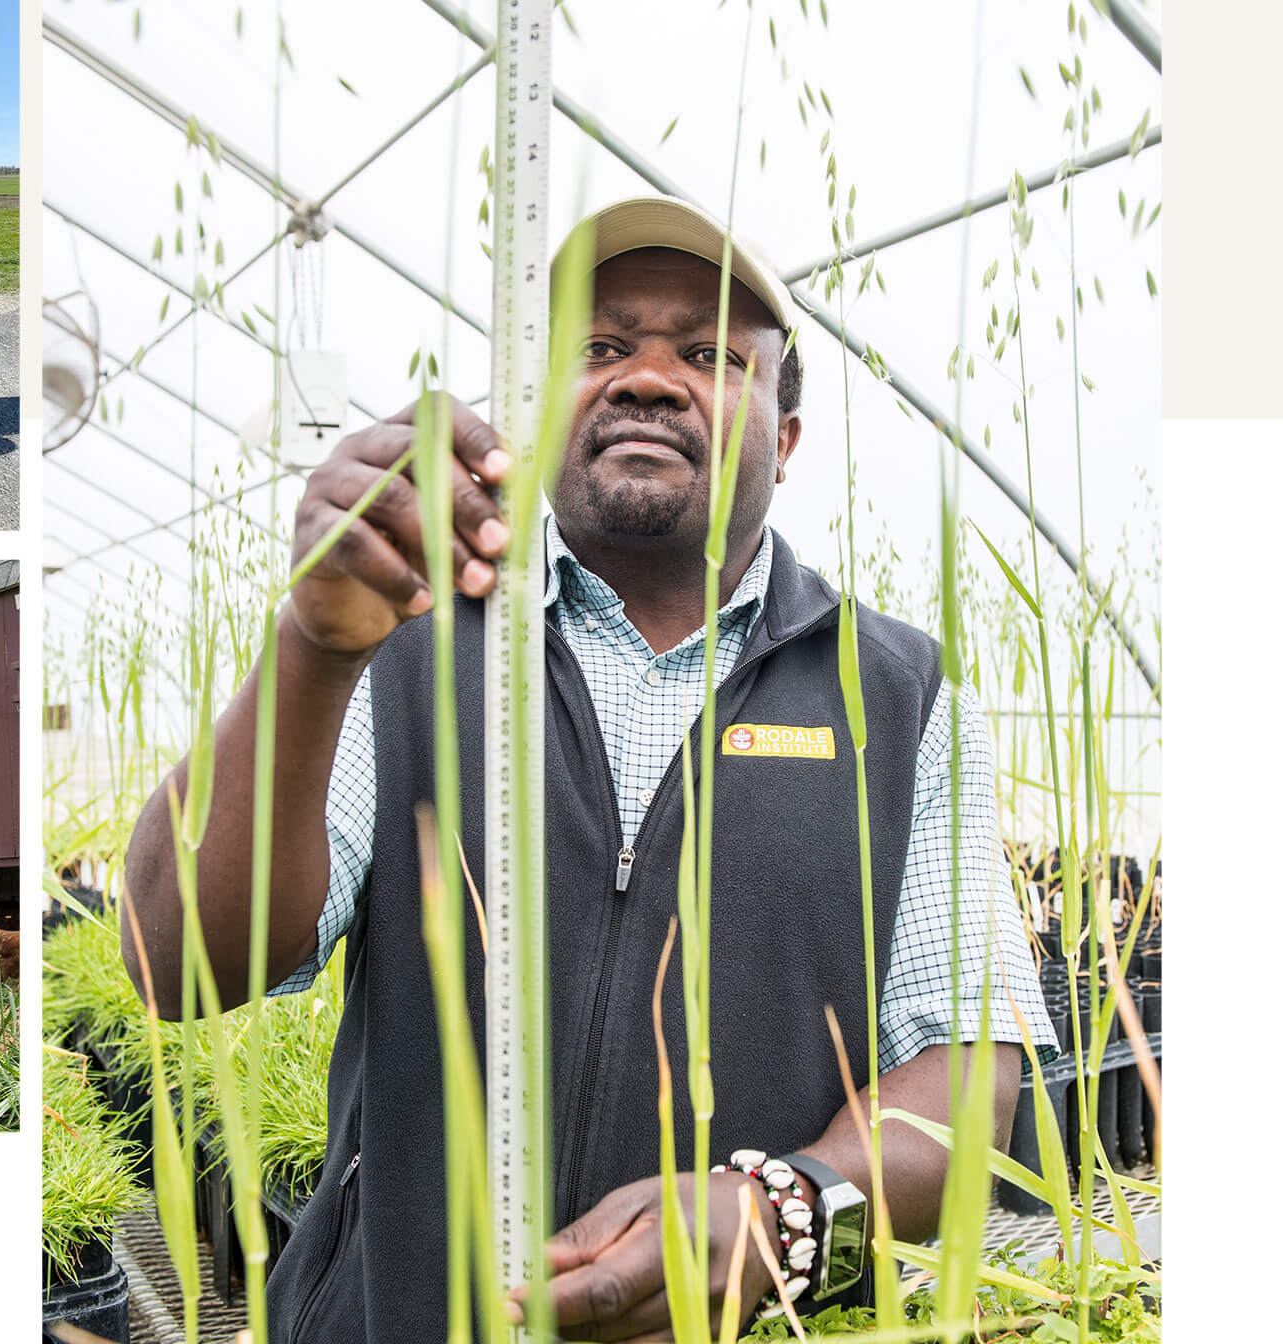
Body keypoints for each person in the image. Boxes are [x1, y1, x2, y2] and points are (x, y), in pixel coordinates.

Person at [121, 196, 1055, 1342]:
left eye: (710, 355)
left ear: (787, 434)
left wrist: (785, 1212)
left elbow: (968, 1084)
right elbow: (176, 966)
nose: (648, 379)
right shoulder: (406, 641)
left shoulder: (901, 695)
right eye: (599, 348)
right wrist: (311, 652)